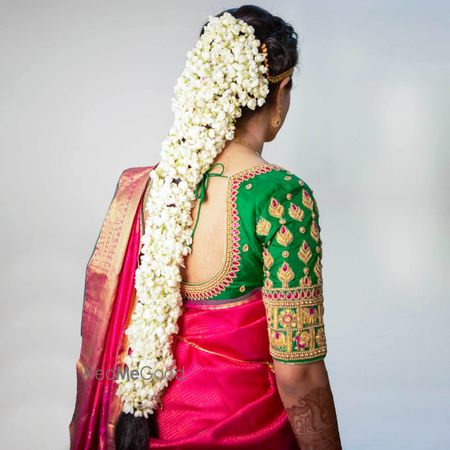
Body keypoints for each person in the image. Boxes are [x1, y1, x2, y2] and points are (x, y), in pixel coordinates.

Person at [70, 5, 342, 450]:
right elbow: (300, 373)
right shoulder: (279, 197)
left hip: (149, 433)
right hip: (250, 437)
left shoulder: (148, 188)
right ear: (281, 90)